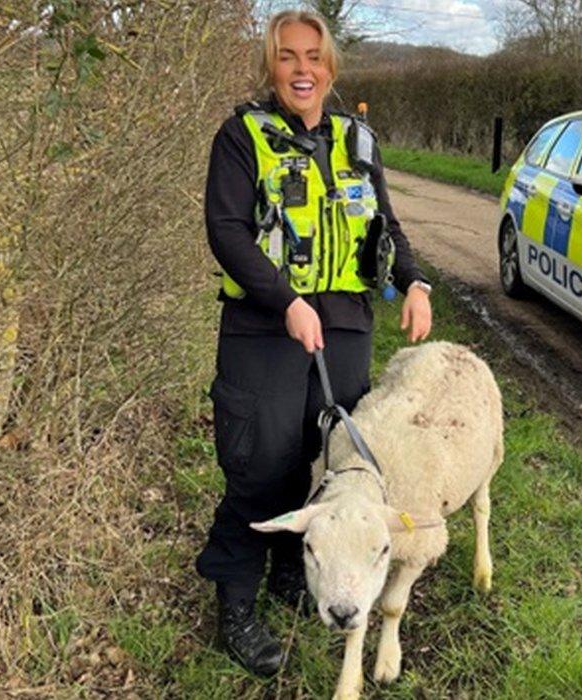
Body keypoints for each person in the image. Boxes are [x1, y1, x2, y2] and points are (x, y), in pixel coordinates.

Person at [196, 9, 432, 677]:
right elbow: (227, 232)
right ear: (271, 66)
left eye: (314, 57)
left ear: (331, 66)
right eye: (288, 57)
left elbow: (385, 221)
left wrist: (415, 284)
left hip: (348, 326)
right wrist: (287, 300)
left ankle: (290, 572)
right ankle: (237, 602)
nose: (303, 70)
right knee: (260, 469)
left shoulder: (359, 137)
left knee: (320, 466)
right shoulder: (241, 136)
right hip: (265, 330)